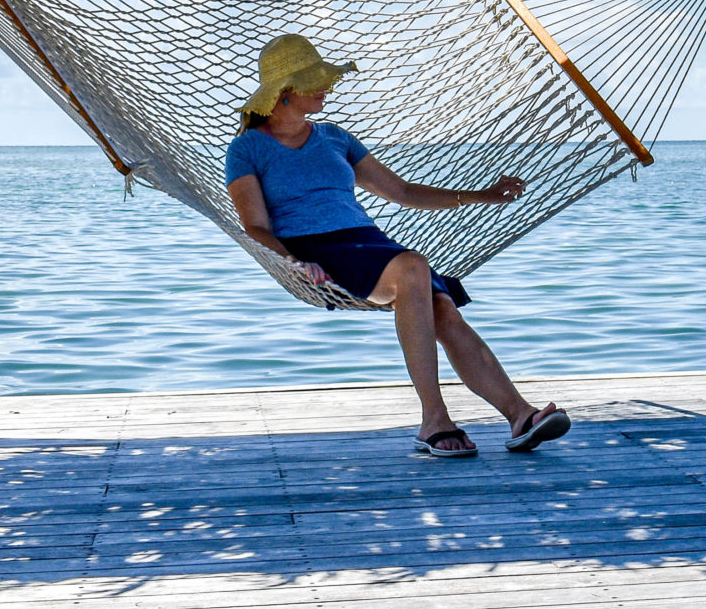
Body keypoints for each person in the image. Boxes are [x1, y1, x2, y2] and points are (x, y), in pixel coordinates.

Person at [224, 32, 571, 459]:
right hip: (314, 250)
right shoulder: (247, 149)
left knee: (439, 304)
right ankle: (434, 420)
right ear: (283, 94)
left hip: (368, 244)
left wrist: (480, 195)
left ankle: (519, 416)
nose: (326, 86)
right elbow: (255, 227)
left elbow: (402, 192)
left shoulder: (335, 137)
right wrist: (295, 263)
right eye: (314, 79)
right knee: (413, 268)